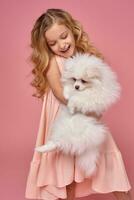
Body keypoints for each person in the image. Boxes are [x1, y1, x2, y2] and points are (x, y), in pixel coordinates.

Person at [25, 8, 132, 200]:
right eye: (53, 43)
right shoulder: (52, 62)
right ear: (47, 47)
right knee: (66, 172)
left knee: (109, 162)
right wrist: (84, 104)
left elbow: (100, 85)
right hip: (63, 117)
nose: (61, 45)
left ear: (72, 30)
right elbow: (59, 93)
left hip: (87, 120)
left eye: (64, 36)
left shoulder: (84, 57)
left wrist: (95, 103)